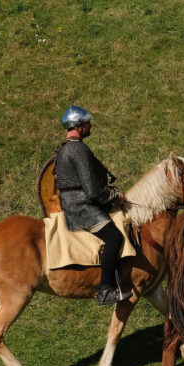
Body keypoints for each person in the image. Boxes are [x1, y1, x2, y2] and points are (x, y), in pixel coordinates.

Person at [54, 105, 132, 305]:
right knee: (114, 238)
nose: (90, 126)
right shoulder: (78, 149)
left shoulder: (63, 149)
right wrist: (115, 197)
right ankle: (106, 289)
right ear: (79, 126)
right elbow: (93, 191)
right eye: (87, 123)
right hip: (82, 207)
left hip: (73, 202)